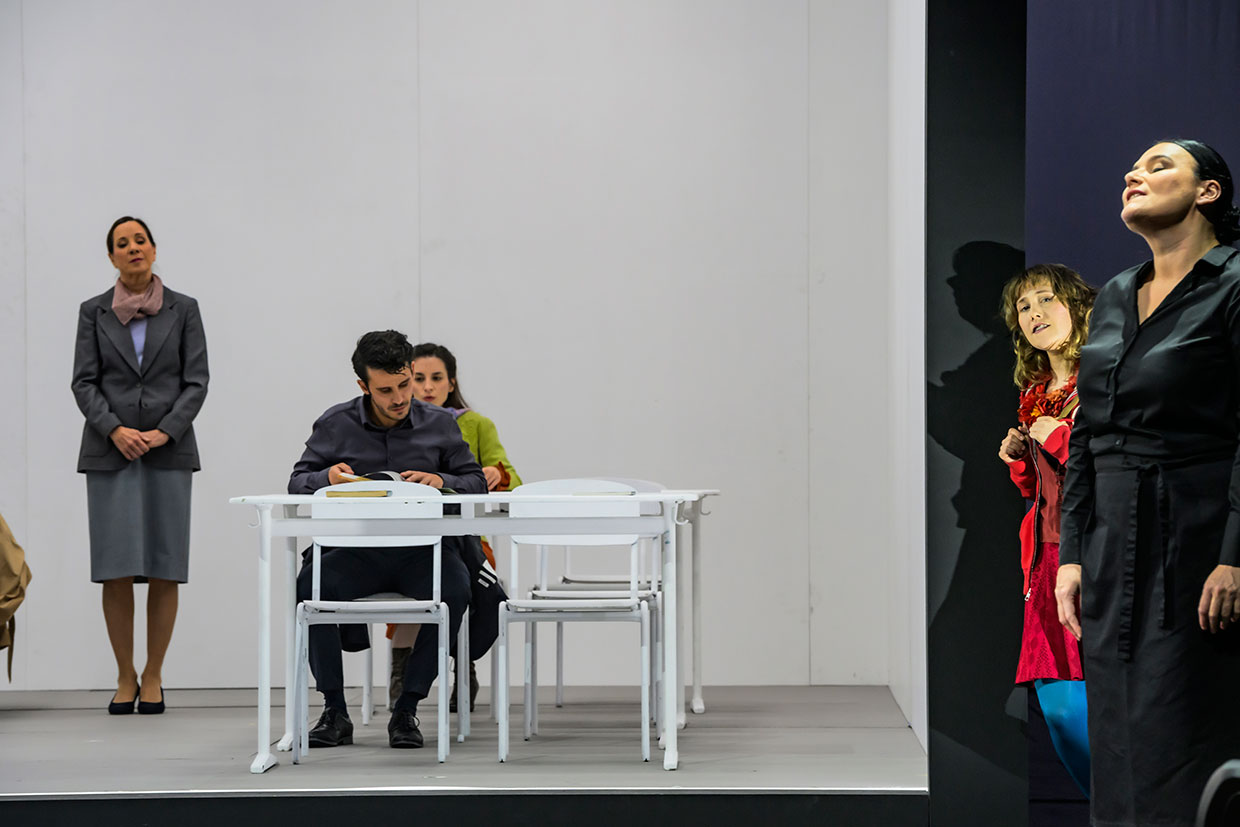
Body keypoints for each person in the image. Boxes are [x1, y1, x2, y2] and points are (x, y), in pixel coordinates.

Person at [1056, 139, 1240, 826]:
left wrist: (1235, 556)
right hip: (1110, 545)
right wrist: (1071, 553)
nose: (1135, 173)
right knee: (1117, 737)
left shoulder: (1233, 283)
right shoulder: (1114, 293)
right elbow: (1087, 432)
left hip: (1195, 540)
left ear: (1207, 192)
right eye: (1132, 167)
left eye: (1159, 166)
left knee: (1182, 729)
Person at [289, 330, 486, 750]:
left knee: (456, 588)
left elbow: (476, 482)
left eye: (404, 384)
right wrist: (327, 478)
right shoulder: (335, 424)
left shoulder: (440, 424)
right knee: (310, 586)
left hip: (424, 551)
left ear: (411, 372)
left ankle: (407, 709)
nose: (399, 398)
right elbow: (297, 481)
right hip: (355, 550)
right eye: (385, 390)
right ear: (363, 386)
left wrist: (442, 480)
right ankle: (334, 711)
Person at [71, 216, 209, 715]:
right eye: (122, 243)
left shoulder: (184, 309)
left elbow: (196, 381)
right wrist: (115, 429)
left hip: (168, 451)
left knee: (165, 567)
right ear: (111, 257)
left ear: (153, 248)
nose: (133, 248)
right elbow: (84, 382)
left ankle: (153, 675)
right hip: (110, 452)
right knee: (116, 569)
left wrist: (164, 431)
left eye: (140, 240)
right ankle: (124, 675)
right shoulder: (93, 312)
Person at [997, 264, 1095, 796]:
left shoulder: (1103, 379)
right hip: (1047, 559)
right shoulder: (1037, 392)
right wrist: (1020, 458)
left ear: (1076, 306)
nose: (1035, 313)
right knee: (1059, 708)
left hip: (1099, 552)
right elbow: (1040, 493)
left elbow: (1117, 469)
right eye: (1024, 306)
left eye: (1046, 299)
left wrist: (1059, 439)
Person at [387, 342, 523, 711]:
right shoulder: (393, 426)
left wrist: (496, 473)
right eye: (418, 379)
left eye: (437, 378)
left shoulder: (476, 424)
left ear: (452, 382)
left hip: (467, 539)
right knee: (407, 589)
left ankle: (465, 666)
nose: (428, 387)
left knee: (462, 582)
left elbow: (513, 479)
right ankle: (402, 679)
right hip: (409, 538)